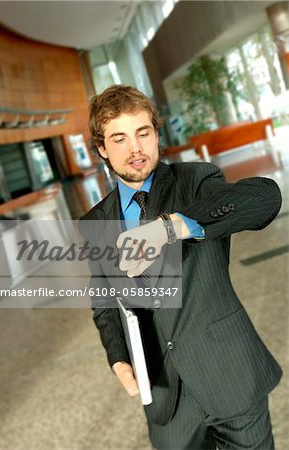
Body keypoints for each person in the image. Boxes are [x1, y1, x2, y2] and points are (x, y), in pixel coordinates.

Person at [79, 85, 282, 450]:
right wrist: (118, 358)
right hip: (166, 399)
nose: (135, 148)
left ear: (157, 134)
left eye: (143, 133)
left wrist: (172, 226)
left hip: (229, 374)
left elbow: (263, 198)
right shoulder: (97, 221)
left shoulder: (196, 180)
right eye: (119, 138)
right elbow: (105, 299)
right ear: (102, 149)